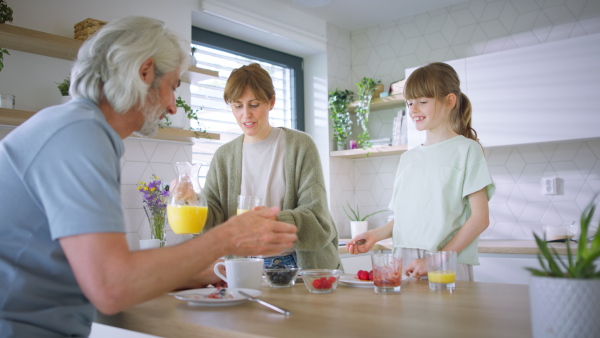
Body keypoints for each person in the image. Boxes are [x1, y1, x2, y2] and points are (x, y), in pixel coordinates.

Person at [0, 16, 297, 337]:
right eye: (172, 86)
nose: (172, 107)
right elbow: (112, 286)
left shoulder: (76, 127)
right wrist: (228, 237)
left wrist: (192, 276)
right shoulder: (79, 134)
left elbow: (92, 270)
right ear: (145, 72)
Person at [346, 62, 495, 281]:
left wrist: (435, 260)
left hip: (446, 264)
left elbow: (480, 219)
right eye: (409, 103)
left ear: (450, 101)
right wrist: (374, 235)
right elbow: (405, 218)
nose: (413, 110)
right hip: (405, 262)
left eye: (423, 102)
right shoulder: (408, 158)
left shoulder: (467, 150)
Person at [202, 63, 342, 270]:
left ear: (271, 102)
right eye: (238, 106)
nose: (246, 115)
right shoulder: (223, 157)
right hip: (244, 266)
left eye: (254, 104)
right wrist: (191, 202)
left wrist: (271, 221)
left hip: (299, 265)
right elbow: (213, 221)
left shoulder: (300, 146)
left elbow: (318, 222)